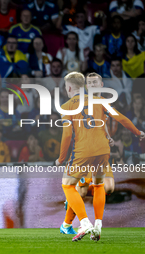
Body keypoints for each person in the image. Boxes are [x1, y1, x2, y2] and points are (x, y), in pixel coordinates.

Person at [55, 72, 145, 241]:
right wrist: (137, 132)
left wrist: (61, 159)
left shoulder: (67, 106)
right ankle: (97, 225)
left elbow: (67, 136)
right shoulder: (100, 101)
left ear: (68, 87)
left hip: (83, 151)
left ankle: (84, 222)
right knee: (99, 186)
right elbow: (121, 118)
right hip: (103, 150)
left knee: (67, 186)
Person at [60, 72, 116, 235]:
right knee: (82, 190)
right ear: (85, 86)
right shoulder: (85, 102)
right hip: (86, 151)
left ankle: (81, 221)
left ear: (101, 85)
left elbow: (100, 125)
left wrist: (108, 136)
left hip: (96, 150)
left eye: (94, 83)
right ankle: (70, 224)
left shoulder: (101, 104)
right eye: (89, 83)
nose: (91, 86)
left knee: (109, 187)